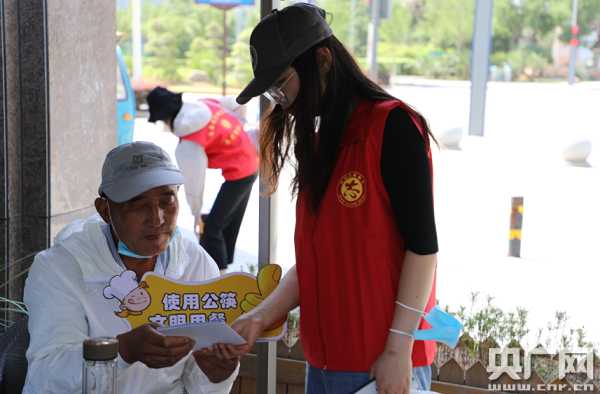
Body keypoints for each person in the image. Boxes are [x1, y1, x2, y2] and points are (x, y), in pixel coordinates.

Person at [205, 4, 439, 394]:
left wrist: (398, 351)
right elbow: (319, 262)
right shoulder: (321, 143)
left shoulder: (391, 126)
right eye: (272, 91)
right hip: (324, 365)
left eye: (282, 83)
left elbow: (423, 249)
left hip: (382, 367)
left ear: (322, 59)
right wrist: (259, 317)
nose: (280, 100)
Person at [23, 141, 239, 394]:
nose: (157, 219)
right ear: (105, 210)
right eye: (139, 205)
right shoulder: (60, 268)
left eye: (167, 201)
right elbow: (47, 375)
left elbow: (197, 378)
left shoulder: (195, 263)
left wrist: (217, 374)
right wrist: (122, 350)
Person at [146, 88, 258, 275]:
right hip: (248, 163)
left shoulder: (189, 140)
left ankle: (219, 281)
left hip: (241, 173)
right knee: (223, 225)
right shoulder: (206, 103)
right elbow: (236, 103)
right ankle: (222, 272)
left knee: (211, 229)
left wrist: (196, 213)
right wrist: (240, 133)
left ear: (166, 118)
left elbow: (194, 181)